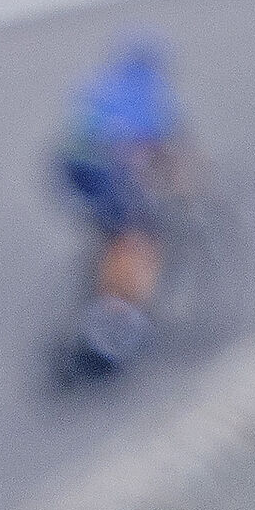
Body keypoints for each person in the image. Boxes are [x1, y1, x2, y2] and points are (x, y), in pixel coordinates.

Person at [56, 37, 188, 369]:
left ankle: (101, 297)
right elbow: (162, 153)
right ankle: (115, 323)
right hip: (102, 170)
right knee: (138, 239)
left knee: (114, 231)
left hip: (72, 168)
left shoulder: (103, 83)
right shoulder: (149, 94)